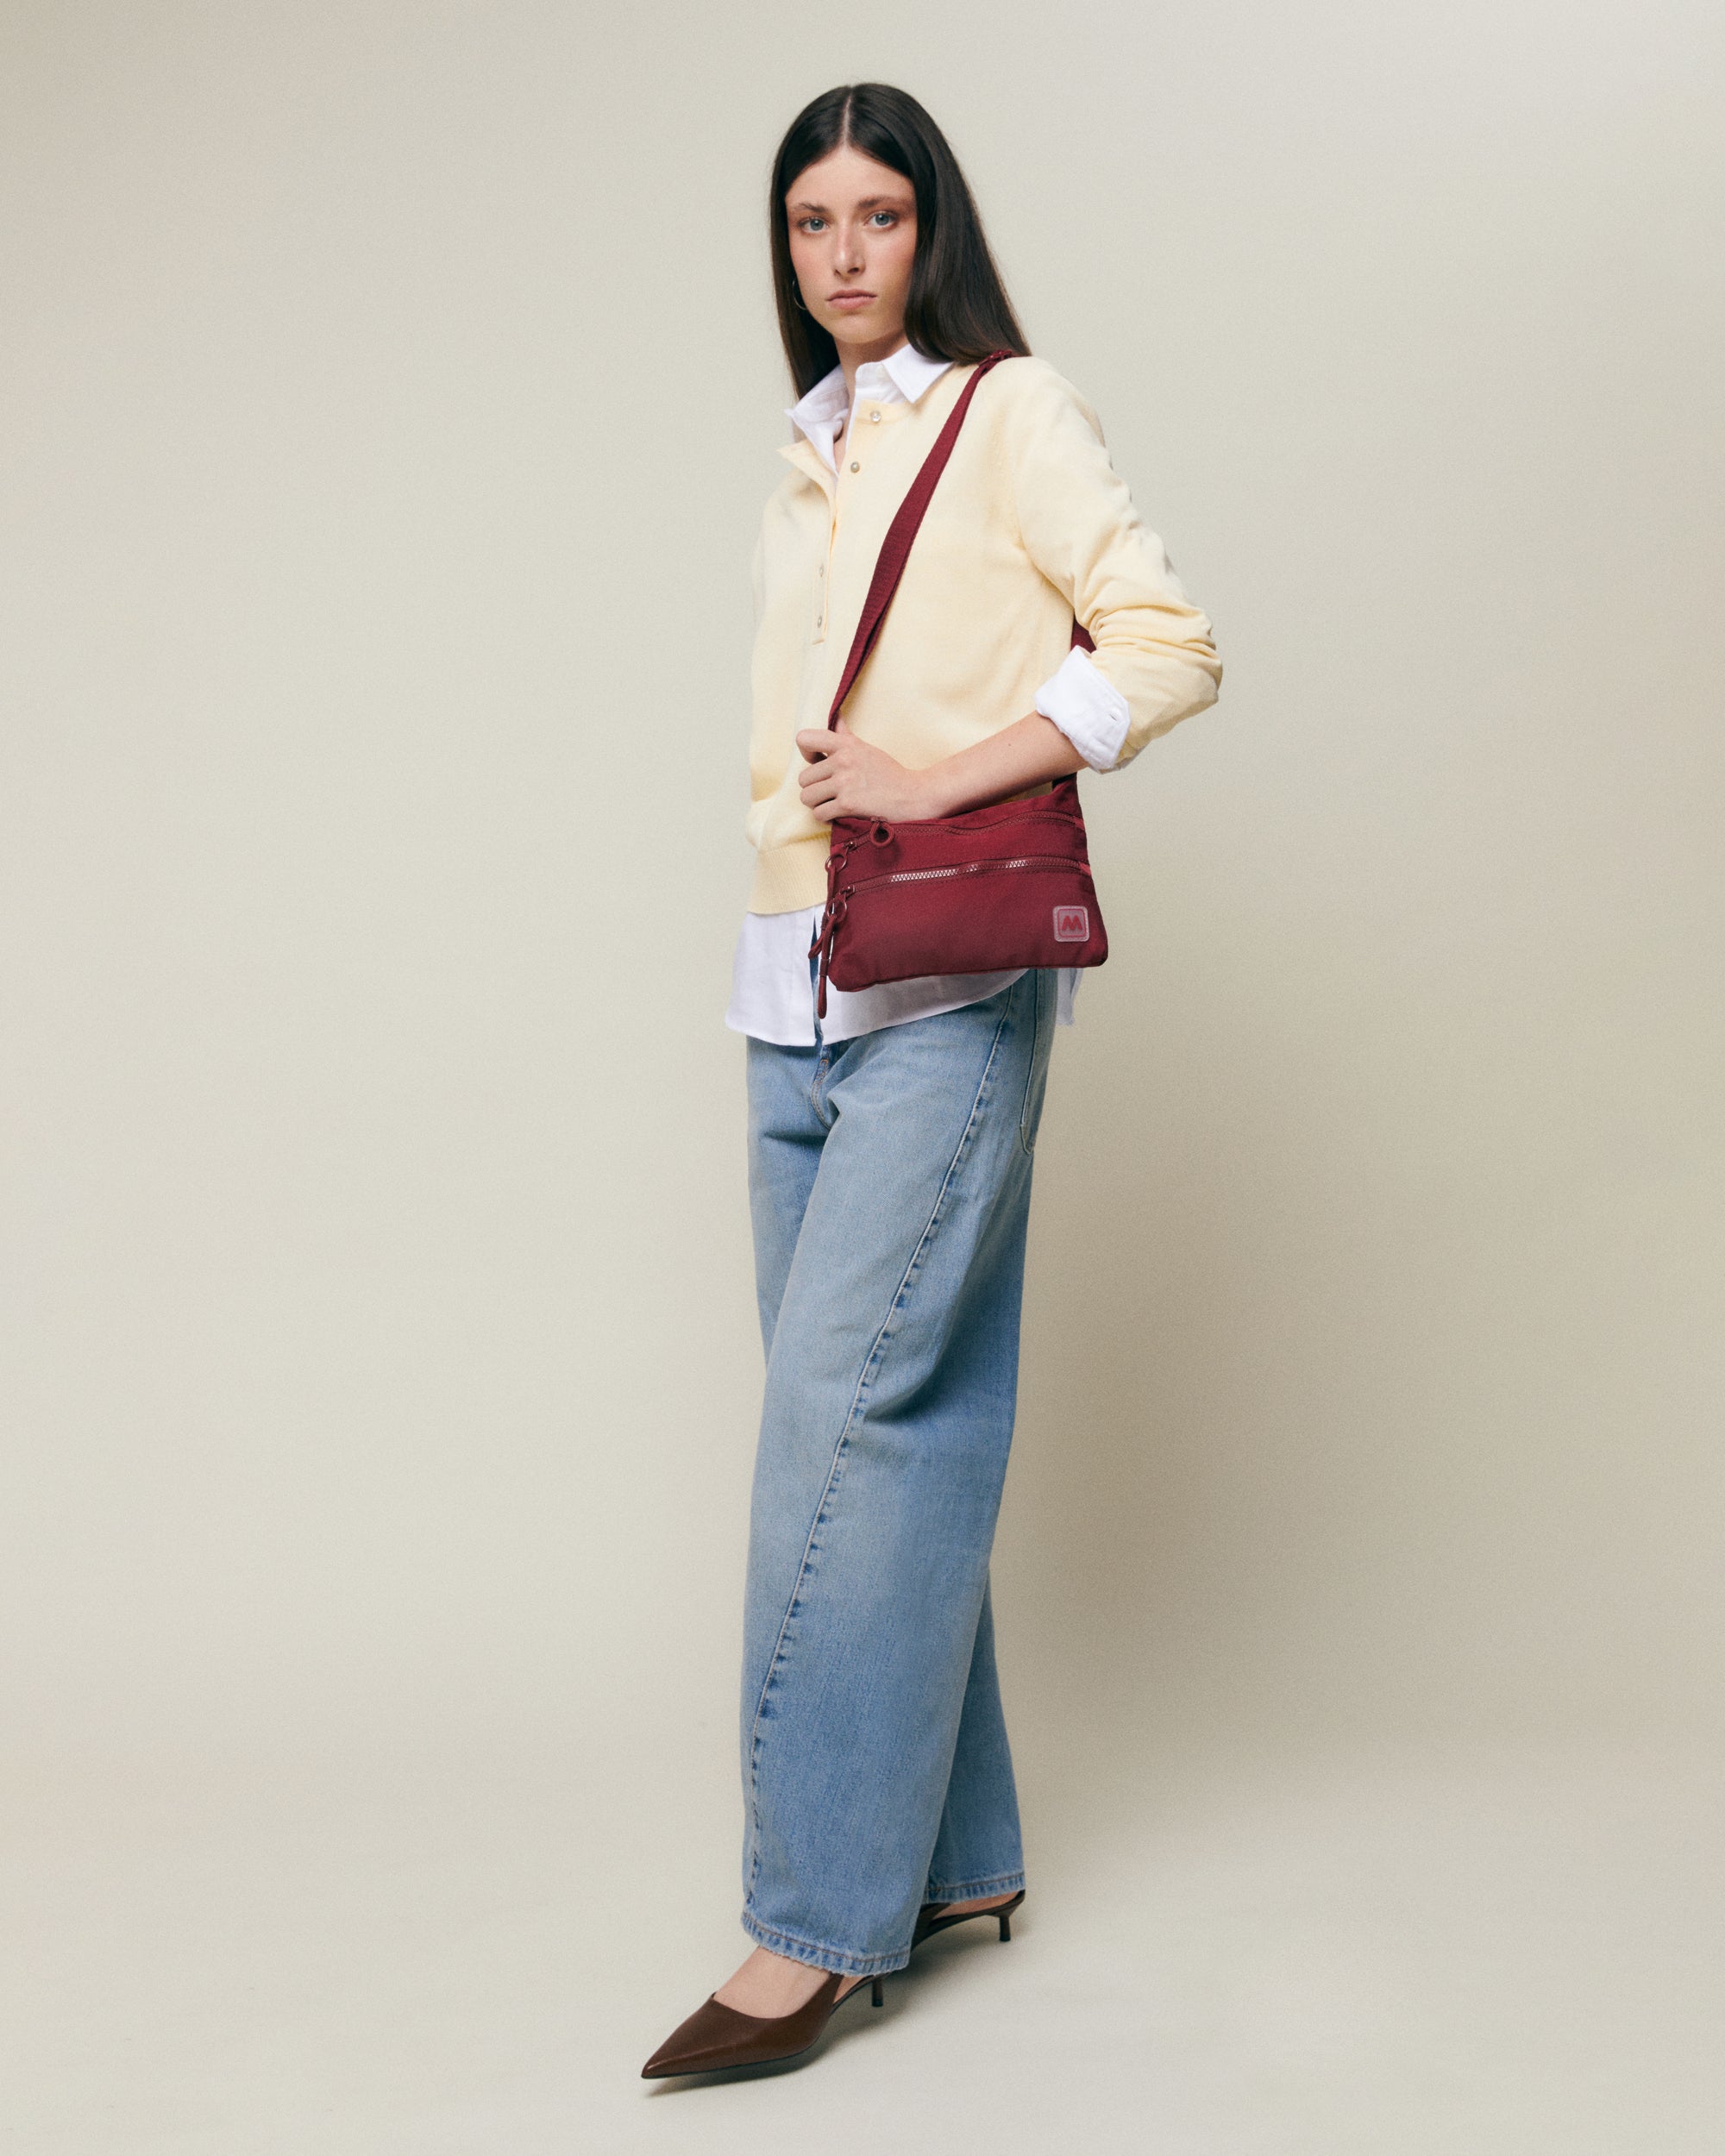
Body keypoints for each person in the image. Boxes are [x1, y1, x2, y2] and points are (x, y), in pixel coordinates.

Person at [642, 81, 1221, 2080]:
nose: (843, 253)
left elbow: (1166, 643)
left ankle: (805, 1926)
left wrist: (934, 777)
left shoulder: (1006, 410)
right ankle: (960, 1862)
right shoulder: (807, 451)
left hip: (945, 989)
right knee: (906, 1432)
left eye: (876, 215)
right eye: (811, 220)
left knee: (839, 1430)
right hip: (786, 991)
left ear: (929, 230)